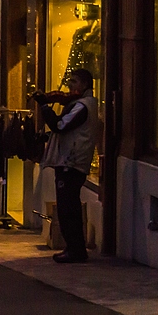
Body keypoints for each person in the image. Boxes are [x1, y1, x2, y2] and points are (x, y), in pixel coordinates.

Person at [35, 69, 100, 264]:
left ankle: (75, 249)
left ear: (85, 84)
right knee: (67, 206)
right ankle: (73, 248)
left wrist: (45, 106)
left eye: (74, 81)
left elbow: (61, 125)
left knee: (67, 207)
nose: (70, 85)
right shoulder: (83, 104)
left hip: (72, 163)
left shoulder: (82, 106)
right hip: (71, 161)